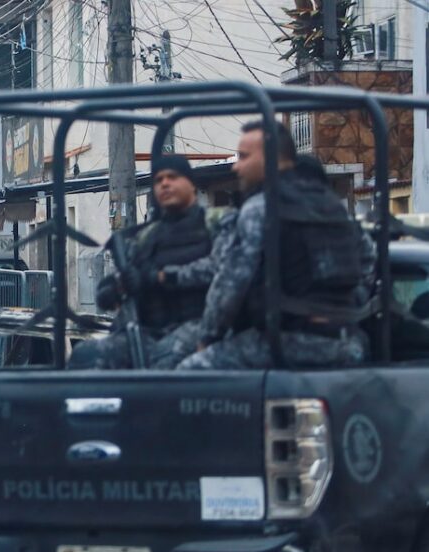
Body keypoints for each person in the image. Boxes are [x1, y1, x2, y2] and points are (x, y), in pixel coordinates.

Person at [178, 121, 370, 369]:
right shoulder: (331, 206)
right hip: (344, 341)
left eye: (244, 157)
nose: (237, 166)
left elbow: (230, 283)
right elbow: (366, 264)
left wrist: (209, 336)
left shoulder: (262, 207)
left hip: (286, 340)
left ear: (272, 159)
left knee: (186, 374)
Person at [70, 155, 215, 369]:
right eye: (159, 180)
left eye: (173, 177)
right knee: (87, 356)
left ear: (191, 183)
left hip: (197, 325)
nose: (165, 183)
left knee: (162, 363)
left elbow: (224, 272)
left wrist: (156, 278)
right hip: (147, 330)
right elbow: (106, 293)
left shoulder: (215, 225)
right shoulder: (146, 237)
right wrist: (121, 285)